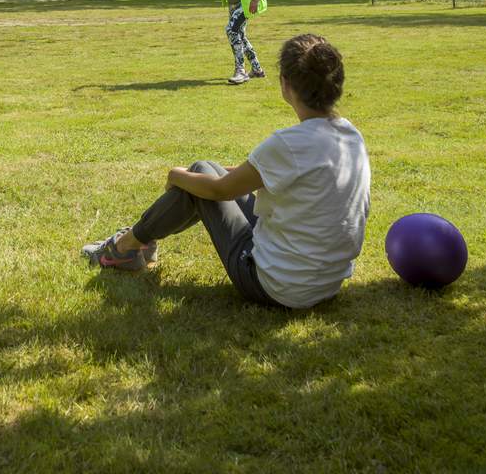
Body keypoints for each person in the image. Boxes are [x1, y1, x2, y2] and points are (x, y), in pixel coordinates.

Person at [81, 34, 370, 310]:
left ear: (285, 84)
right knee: (207, 171)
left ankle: (124, 248)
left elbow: (220, 190)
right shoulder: (350, 135)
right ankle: (138, 243)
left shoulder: (289, 144)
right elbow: (255, 174)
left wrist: (175, 175)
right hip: (328, 284)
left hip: (277, 286)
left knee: (201, 174)